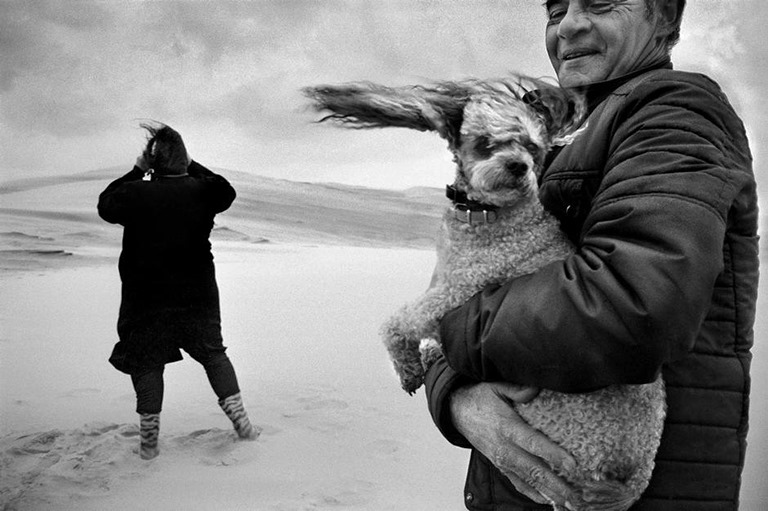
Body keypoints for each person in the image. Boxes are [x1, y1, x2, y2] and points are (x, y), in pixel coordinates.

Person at [424, 1, 759, 509]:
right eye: (556, 10)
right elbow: (461, 279)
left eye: (602, 3)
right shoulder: (553, 139)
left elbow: (633, 306)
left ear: (664, 20)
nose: (571, 26)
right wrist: (457, 397)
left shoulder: (674, 112)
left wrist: (444, 330)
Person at [98, 123, 259, 460]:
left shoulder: (136, 193)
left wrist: (137, 170)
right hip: (196, 291)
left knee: (146, 361)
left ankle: (149, 444)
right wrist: (191, 165)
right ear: (185, 158)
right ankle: (242, 425)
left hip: (146, 294)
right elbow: (225, 190)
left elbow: (105, 205)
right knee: (213, 353)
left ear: (153, 162)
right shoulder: (202, 191)